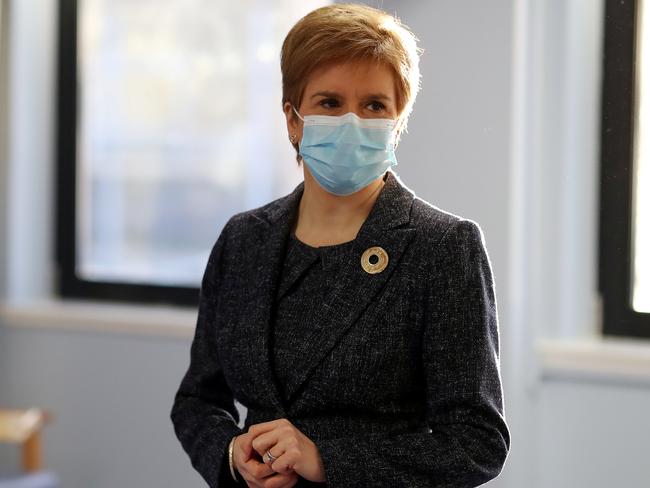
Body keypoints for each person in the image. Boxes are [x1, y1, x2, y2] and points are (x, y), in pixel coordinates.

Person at [170, 4, 510, 487]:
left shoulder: (444, 247)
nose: (352, 121)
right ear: (293, 119)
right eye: (329, 102)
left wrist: (326, 458)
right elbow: (199, 401)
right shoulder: (243, 239)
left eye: (374, 105)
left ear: (398, 121)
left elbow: (477, 442)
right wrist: (231, 453)